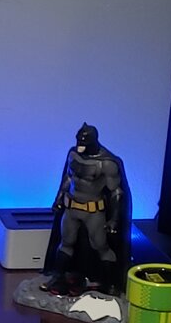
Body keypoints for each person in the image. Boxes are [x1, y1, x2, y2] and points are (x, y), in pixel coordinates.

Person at [42, 123, 131, 296]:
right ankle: (58, 278)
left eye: (84, 142)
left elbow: (116, 193)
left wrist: (114, 219)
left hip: (93, 211)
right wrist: (58, 199)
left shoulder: (107, 163)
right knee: (66, 243)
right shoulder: (73, 154)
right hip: (71, 208)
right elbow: (67, 179)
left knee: (101, 246)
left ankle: (111, 283)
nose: (80, 145)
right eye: (78, 141)